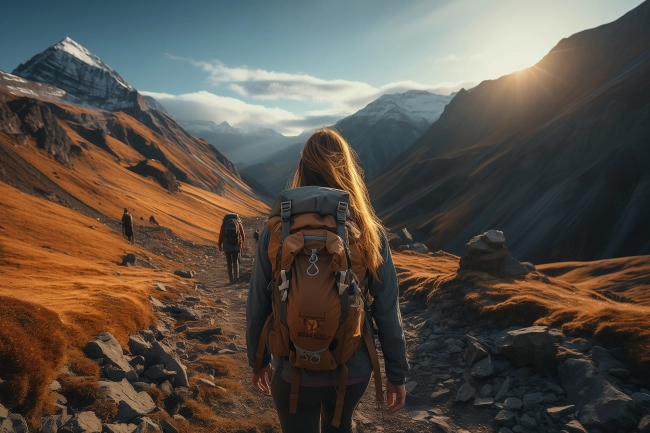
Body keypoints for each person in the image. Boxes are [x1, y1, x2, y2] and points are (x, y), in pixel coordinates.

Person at [246, 128, 408, 433]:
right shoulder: (367, 230)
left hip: (291, 368)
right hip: (352, 366)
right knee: (340, 423)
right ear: (347, 168)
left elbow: (258, 301)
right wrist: (396, 374)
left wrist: (258, 358)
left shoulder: (278, 227)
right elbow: (387, 310)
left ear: (302, 167)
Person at [218, 213, 245, 283]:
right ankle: (236, 279)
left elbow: (221, 235)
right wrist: (241, 245)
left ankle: (231, 279)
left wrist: (219, 245)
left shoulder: (224, 223)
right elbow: (242, 234)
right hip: (236, 246)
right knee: (235, 261)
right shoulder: (238, 223)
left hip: (227, 246)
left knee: (229, 263)